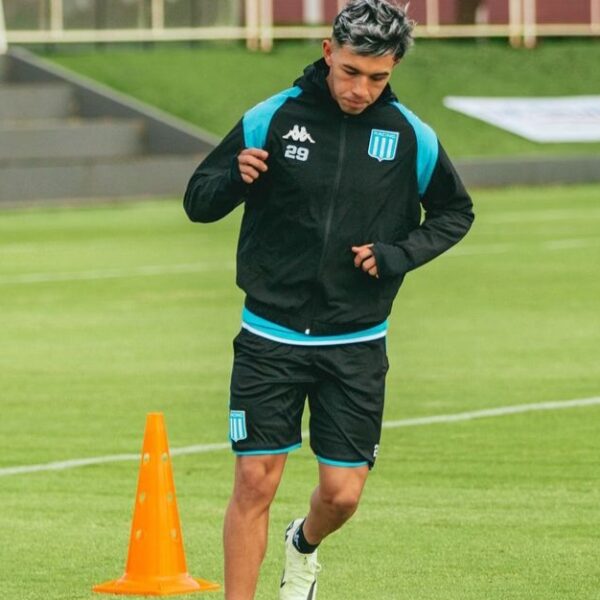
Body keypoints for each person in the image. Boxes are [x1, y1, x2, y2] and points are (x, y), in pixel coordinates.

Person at [184, 1, 474, 598]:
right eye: (350, 71)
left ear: (392, 71)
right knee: (254, 482)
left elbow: (455, 212)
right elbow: (199, 200)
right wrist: (235, 178)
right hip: (269, 336)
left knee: (342, 495)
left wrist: (397, 255)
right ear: (327, 52)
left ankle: (303, 543)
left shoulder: (411, 137)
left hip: (356, 342)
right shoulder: (272, 117)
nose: (360, 89)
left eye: (377, 77)